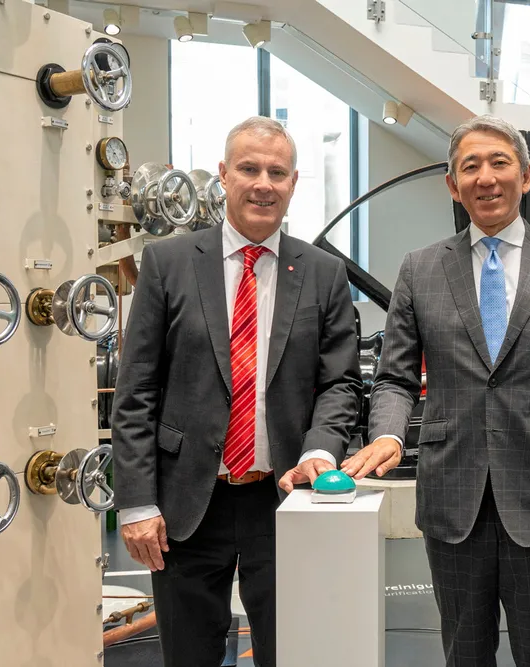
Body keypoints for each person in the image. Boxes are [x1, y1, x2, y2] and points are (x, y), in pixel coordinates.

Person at [342, 114, 530, 667]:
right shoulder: (420, 269)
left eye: (499, 163)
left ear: (526, 176)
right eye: (470, 167)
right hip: (453, 496)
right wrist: (389, 434)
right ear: (453, 184)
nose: (486, 177)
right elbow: (394, 377)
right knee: (464, 653)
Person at [111, 116, 362, 667]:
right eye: (249, 169)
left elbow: (340, 383)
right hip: (184, 505)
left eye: (277, 172)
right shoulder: (168, 263)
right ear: (224, 175)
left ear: (294, 182)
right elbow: (136, 392)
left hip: (285, 498)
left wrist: (321, 452)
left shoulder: (324, 273)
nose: (263, 184)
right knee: (189, 655)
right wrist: (136, 502)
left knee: (292, 653)